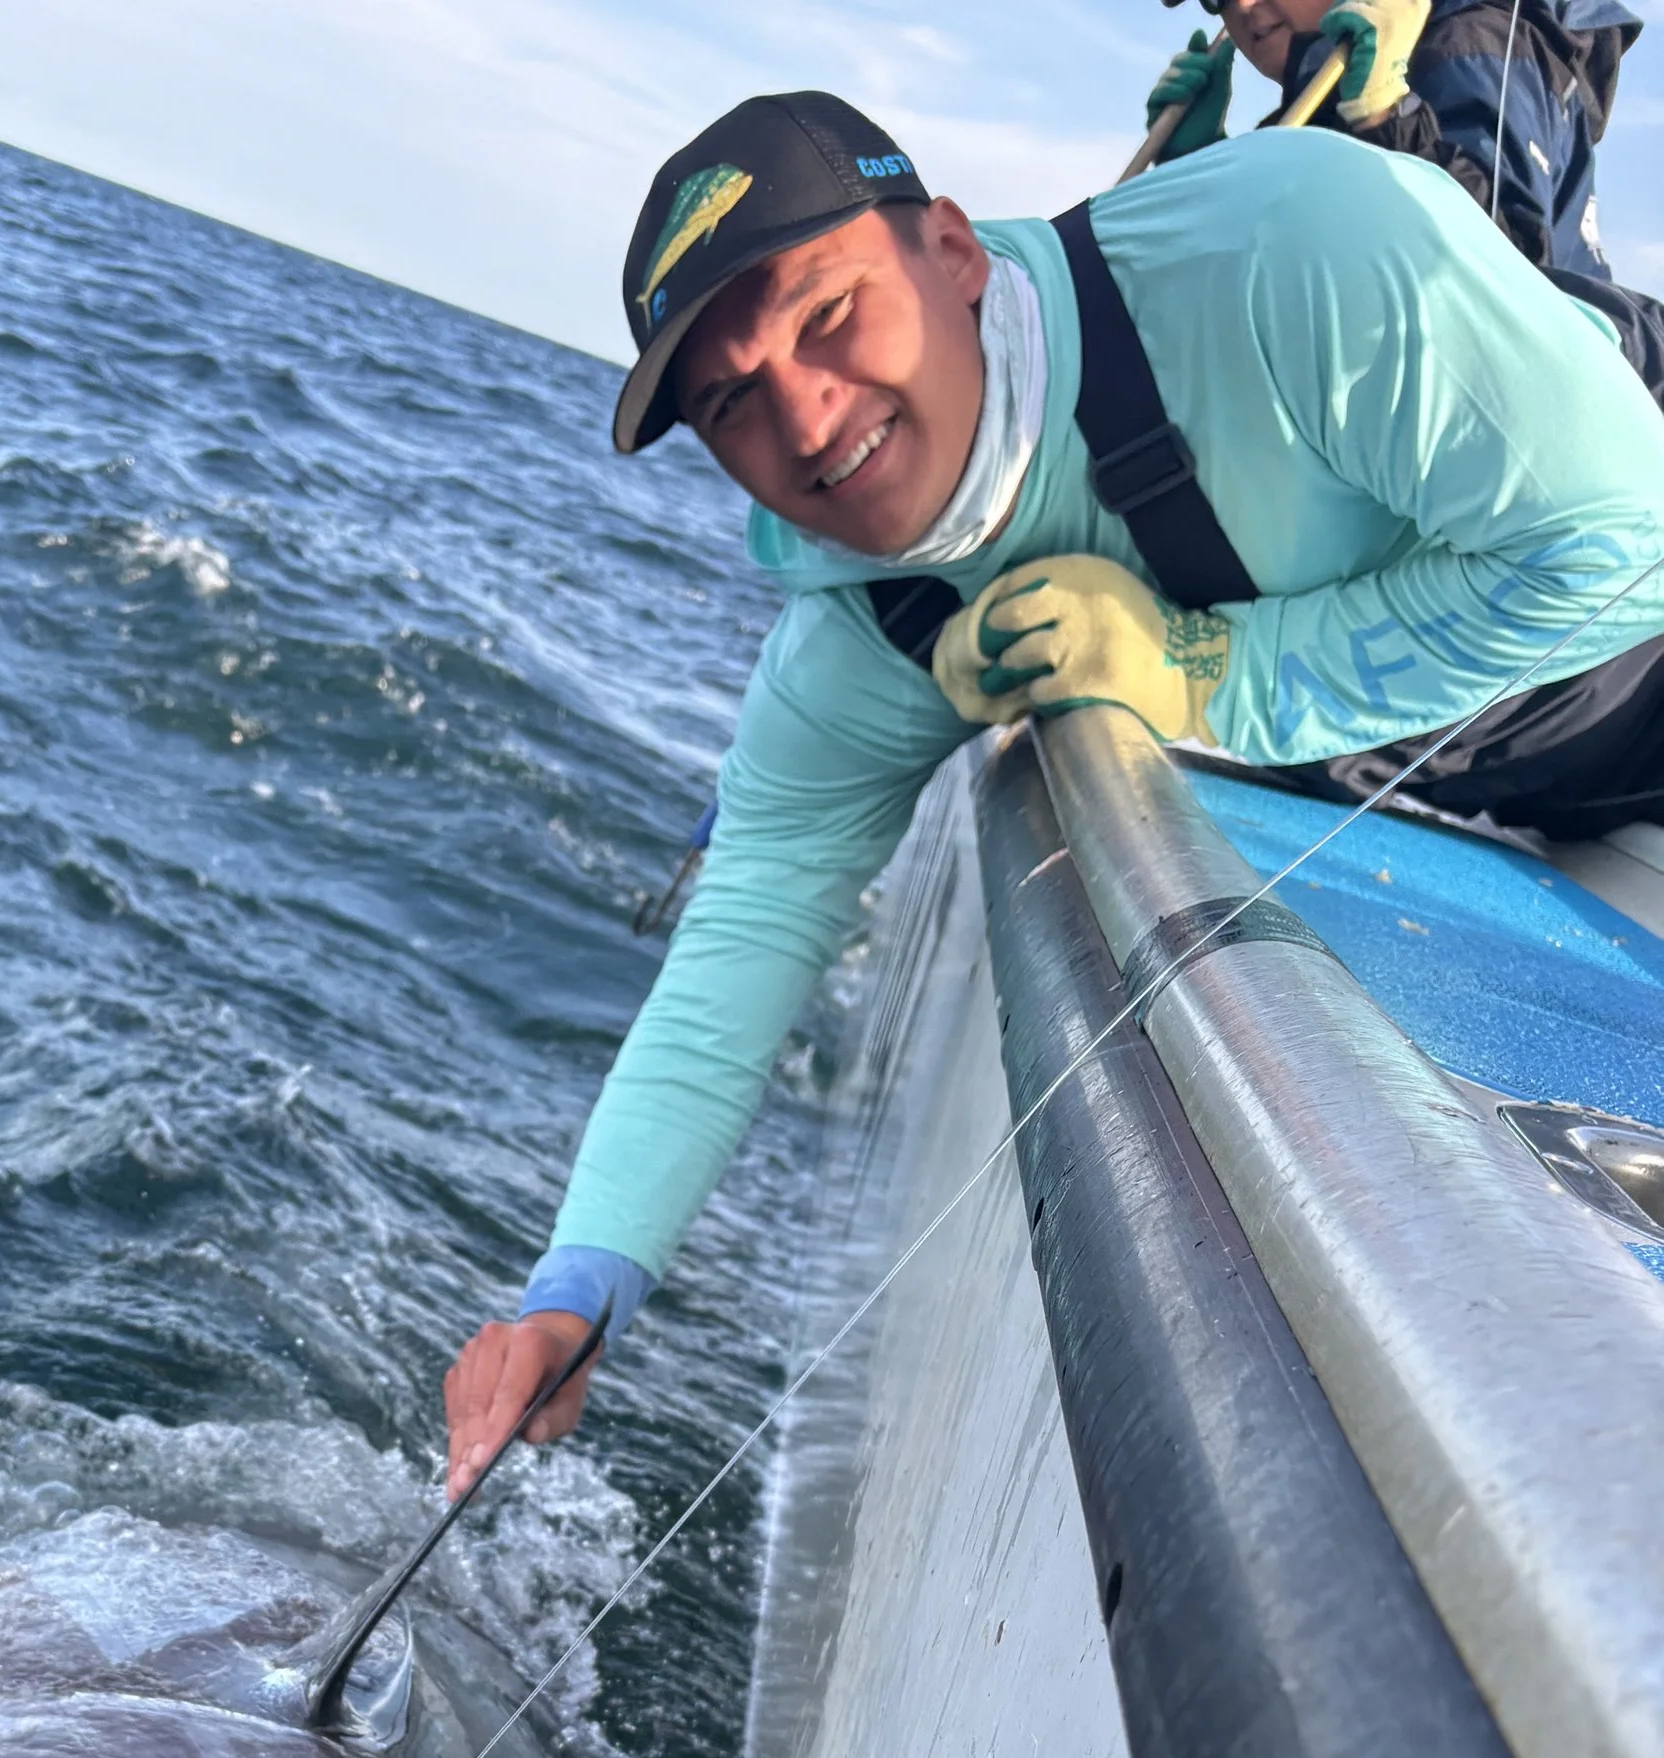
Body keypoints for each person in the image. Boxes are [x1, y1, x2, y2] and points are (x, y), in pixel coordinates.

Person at [440, 91, 1664, 1488]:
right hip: (1524, 790)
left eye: (826, 313)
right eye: (729, 399)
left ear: (953, 251)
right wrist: (576, 1287)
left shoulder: (1293, 248)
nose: (804, 410)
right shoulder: (868, 628)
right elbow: (747, 936)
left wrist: (1200, 671)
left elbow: (1630, 533)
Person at [1144, 0, 1638, 280]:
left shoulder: (1468, 46)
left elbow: (1506, 268)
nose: (1244, 5)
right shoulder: (1317, 116)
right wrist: (1195, 167)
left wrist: (1384, 115)